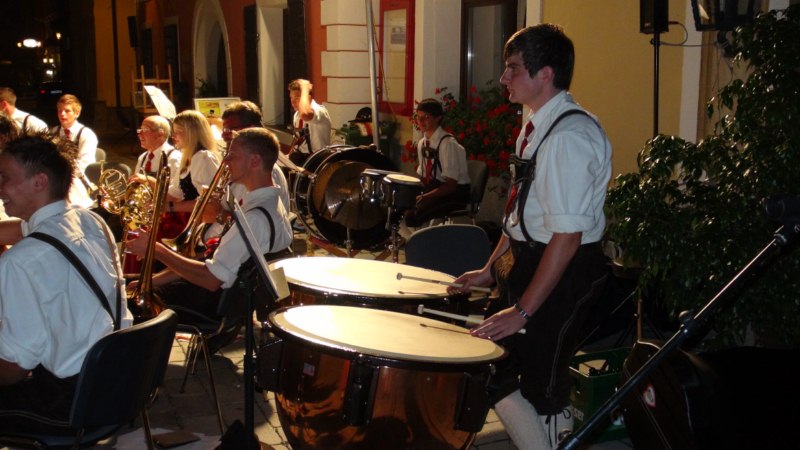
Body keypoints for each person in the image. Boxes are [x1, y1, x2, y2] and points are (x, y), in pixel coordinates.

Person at [452, 24, 612, 450]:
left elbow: (568, 237)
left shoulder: (568, 138)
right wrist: (489, 270)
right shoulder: (539, 125)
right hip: (530, 258)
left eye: (513, 68)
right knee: (492, 364)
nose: (503, 77)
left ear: (545, 74)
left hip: (565, 269)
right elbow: (519, 215)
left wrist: (523, 311)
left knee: (541, 382)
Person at [0, 135, 132, 433]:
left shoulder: (18, 262)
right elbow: (25, 231)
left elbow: (15, 368)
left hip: (71, 403)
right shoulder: (91, 221)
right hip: (119, 381)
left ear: (39, 182)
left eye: (5, 178)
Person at [126, 127, 293, 328]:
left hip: (210, 304)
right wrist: (155, 279)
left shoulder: (254, 218)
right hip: (214, 295)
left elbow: (211, 279)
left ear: (255, 161)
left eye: (232, 156)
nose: (226, 161)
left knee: (122, 300)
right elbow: (210, 259)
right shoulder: (270, 203)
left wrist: (155, 249)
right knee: (125, 283)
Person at [403, 98, 471, 231]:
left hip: (455, 192)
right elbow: (423, 177)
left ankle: (423, 239)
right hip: (435, 186)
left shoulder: (447, 144)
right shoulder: (422, 143)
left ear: (438, 118)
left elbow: (451, 185)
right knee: (401, 205)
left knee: (413, 215)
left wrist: (424, 197)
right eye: (418, 117)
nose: (420, 121)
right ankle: (411, 238)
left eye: (426, 117)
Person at [167, 110, 221, 216]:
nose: (174, 136)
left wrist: (171, 207)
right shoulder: (188, 157)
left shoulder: (202, 157)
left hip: (200, 220)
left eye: (178, 131)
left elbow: (209, 202)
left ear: (192, 133)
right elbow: (175, 192)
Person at [51, 94, 97, 208]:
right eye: (60, 111)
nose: (62, 114)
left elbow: (84, 165)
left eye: (67, 111)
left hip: (77, 182)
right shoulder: (52, 132)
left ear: (77, 113)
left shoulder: (86, 134)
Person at [284, 79, 331, 167]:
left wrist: (305, 88)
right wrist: (288, 156)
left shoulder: (319, 111)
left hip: (317, 160)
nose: (292, 102)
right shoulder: (297, 115)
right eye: (291, 98)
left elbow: (305, 114)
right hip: (300, 157)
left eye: (297, 98)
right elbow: (298, 139)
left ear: (308, 97)